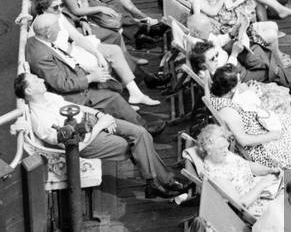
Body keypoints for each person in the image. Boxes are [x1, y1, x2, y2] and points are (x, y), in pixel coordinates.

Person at [15, 73, 183, 199]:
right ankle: (164, 181)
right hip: (88, 140)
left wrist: (99, 116)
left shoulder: (48, 97)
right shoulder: (40, 120)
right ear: (29, 90)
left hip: (92, 122)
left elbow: (77, 108)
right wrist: (100, 126)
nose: (42, 80)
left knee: (141, 134)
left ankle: (154, 183)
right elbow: (76, 145)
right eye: (36, 80)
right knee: (133, 146)